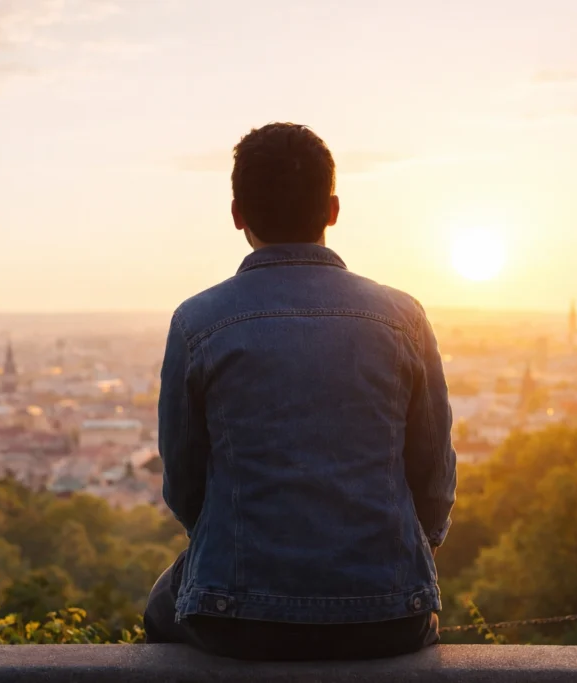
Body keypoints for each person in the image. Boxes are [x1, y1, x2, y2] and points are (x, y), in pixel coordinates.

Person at [144, 122, 456, 661]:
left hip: (239, 619)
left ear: (237, 214)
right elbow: (433, 476)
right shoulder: (404, 317)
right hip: (386, 615)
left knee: (158, 606)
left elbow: (185, 484)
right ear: (333, 210)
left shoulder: (197, 322)